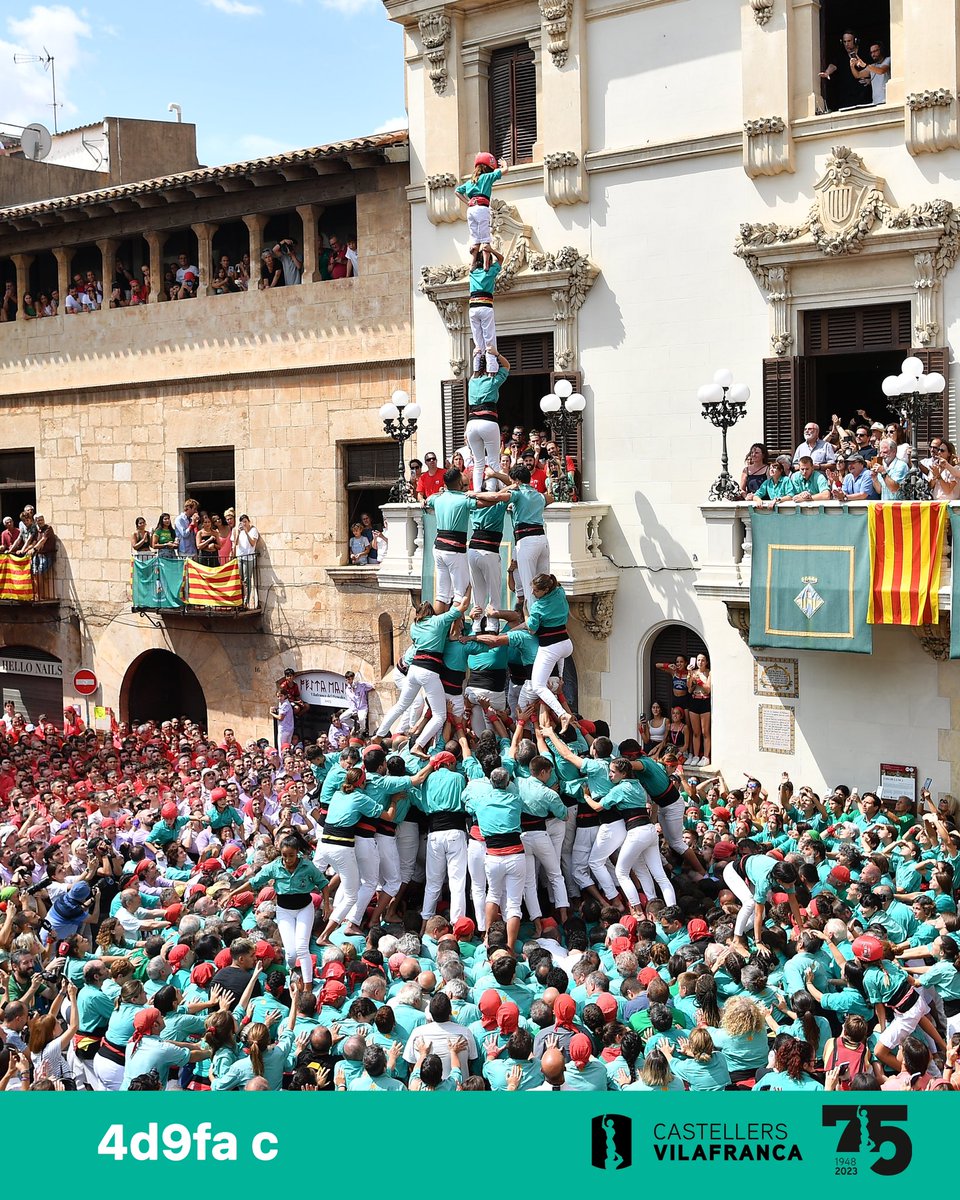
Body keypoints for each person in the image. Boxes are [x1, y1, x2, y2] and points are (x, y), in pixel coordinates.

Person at [226, 835, 327, 988]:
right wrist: (233, 893)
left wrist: (327, 904)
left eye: (291, 855)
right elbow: (253, 882)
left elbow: (323, 883)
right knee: (291, 954)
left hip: (304, 908)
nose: (287, 859)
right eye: (284, 855)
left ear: (298, 852)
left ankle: (307, 985)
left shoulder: (307, 866)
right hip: (284, 910)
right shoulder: (274, 866)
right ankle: (293, 971)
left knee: (301, 947)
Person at [465, 349, 512, 492]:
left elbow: (475, 371)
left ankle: (478, 490)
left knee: (478, 461)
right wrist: (497, 354)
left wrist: (476, 355)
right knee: (493, 460)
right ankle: (491, 491)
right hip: (488, 422)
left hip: (472, 424)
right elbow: (507, 366)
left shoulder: (472, 381)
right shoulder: (493, 381)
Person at [455, 152, 509, 270]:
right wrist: (504, 164)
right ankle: (485, 264)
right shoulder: (487, 177)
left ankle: (473, 264)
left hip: (471, 210)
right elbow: (505, 171)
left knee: (475, 238)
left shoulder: (470, 182)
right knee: (485, 238)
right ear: (487, 168)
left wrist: (467, 202)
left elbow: (457, 191)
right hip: (482, 208)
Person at [468, 245, 504, 376]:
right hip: (485, 306)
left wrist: (475, 252)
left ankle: (477, 370)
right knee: (489, 338)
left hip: (473, 308)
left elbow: (472, 263)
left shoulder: (472, 272)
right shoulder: (489, 271)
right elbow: (501, 259)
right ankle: (492, 370)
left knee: (478, 339)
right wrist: (491, 251)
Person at [820, 30, 871, 111]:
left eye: (849, 41)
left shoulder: (865, 53)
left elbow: (874, 68)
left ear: (855, 40)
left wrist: (871, 80)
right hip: (847, 97)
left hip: (864, 95)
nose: (846, 44)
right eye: (844, 42)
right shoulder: (840, 54)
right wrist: (827, 72)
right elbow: (833, 65)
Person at [851, 41, 891, 105]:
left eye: (875, 51)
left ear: (881, 50)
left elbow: (881, 71)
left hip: (887, 100)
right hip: (876, 101)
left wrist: (865, 65)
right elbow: (857, 75)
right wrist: (852, 66)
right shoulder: (872, 66)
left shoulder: (888, 60)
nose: (873, 54)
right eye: (871, 52)